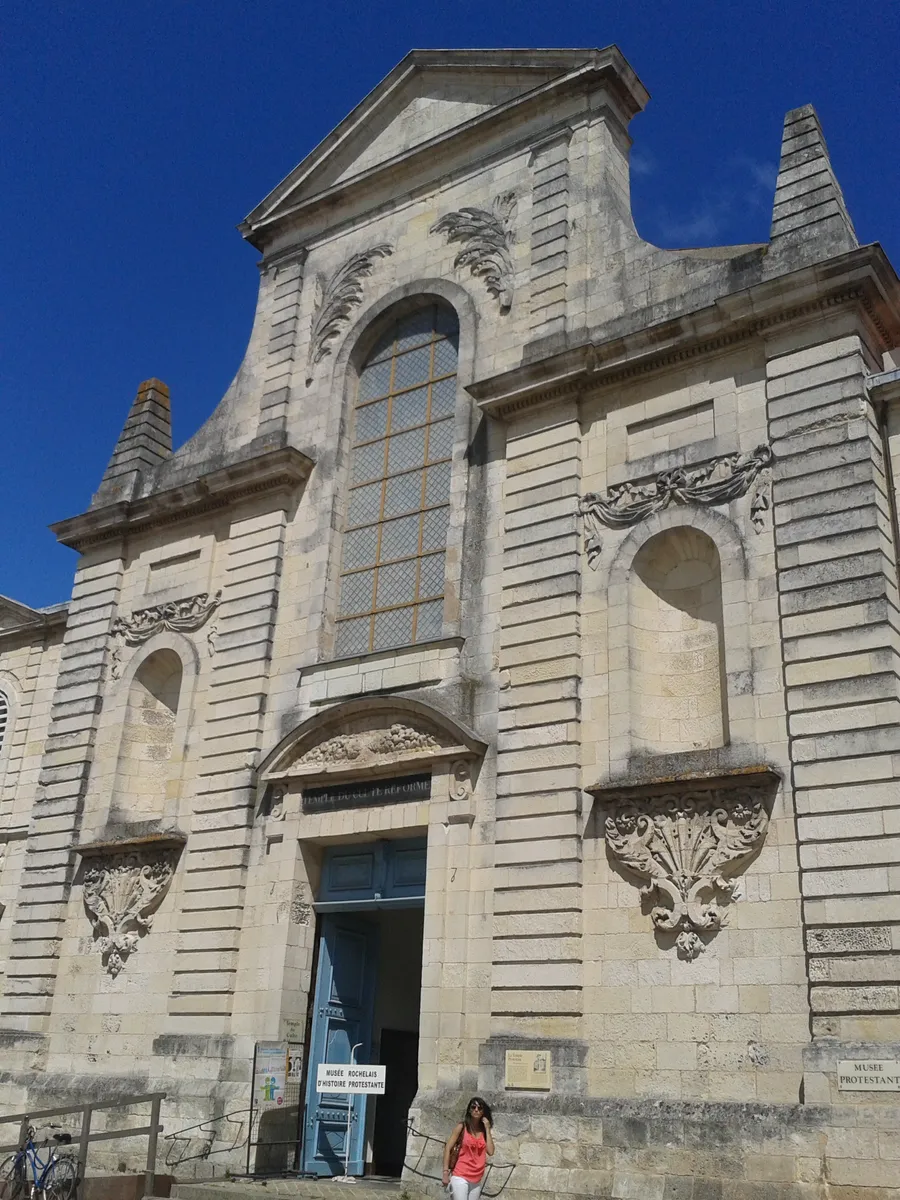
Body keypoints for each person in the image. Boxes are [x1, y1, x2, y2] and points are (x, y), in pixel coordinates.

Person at [442, 1096, 494, 1199]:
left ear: (483, 1112)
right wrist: (445, 1173)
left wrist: (487, 1129)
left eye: (479, 1108)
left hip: (476, 1178)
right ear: (469, 1110)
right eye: (473, 1107)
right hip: (460, 1175)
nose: (476, 1110)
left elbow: (491, 1151)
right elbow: (448, 1148)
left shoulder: (484, 1131)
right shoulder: (462, 1127)